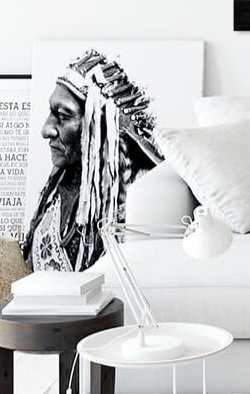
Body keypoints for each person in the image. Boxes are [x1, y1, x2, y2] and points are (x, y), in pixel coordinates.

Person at [22, 50, 161, 271]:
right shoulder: (57, 188)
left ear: (101, 126)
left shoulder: (141, 201)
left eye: (64, 116)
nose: (46, 130)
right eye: (51, 113)